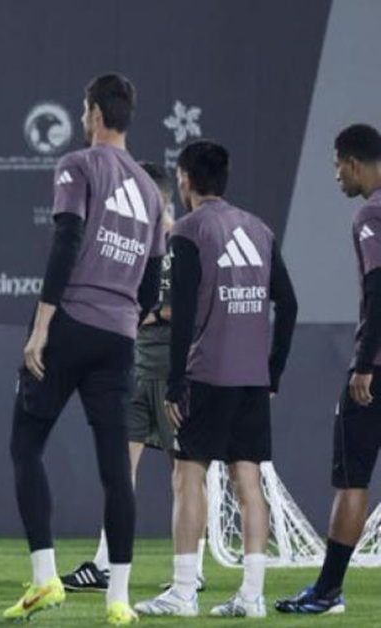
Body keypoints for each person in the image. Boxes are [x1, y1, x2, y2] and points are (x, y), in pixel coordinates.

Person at [3, 74, 165, 626]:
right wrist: (123, 315)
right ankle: (118, 599)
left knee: (26, 445)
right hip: (119, 338)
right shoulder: (149, 189)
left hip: (69, 322)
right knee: (116, 469)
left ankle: (46, 579)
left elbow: (67, 239)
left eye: (83, 108)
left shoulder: (78, 164)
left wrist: (42, 325)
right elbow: (152, 282)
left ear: (94, 113)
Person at [135, 140, 297, 618]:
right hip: (250, 378)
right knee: (248, 482)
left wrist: (175, 381)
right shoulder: (260, 229)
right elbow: (288, 304)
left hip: (207, 375)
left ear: (184, 179)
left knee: (188, 477)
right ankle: (252, 595)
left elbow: (182, 312)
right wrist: (275, 367)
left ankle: (184, 591)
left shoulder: (188, 230)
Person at [61, 162, 207, 593]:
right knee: (119, 468)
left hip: (174, 371)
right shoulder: (131, 241)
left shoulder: (184, 239)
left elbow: (200, 305)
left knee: (186, 474)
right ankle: (105, 562)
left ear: (156, 197)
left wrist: (154, 313)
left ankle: (191, 569)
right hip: (134, 368)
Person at [276, 123, 381, 615]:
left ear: (354, 162)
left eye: (337, 165)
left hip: (375, 372)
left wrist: (363, 365)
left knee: (352, 481)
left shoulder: (371, 215)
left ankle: (327, 591)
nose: (336, 175)